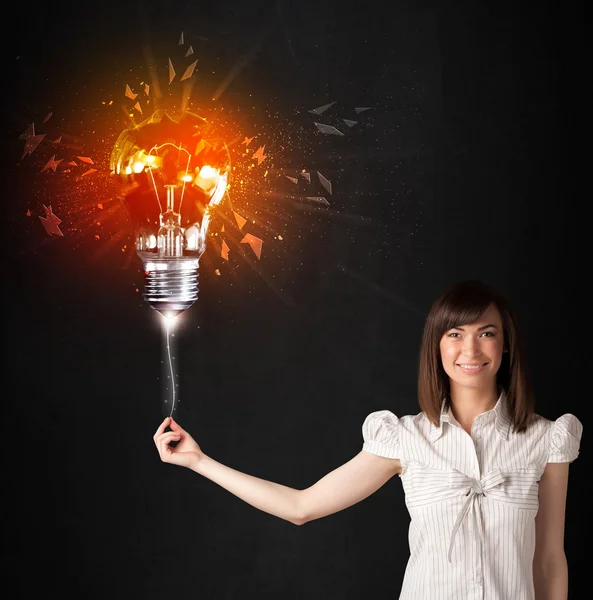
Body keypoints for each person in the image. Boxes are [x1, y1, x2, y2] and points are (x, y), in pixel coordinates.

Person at [153, 279, 582, 599]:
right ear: (436, 346)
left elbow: (548, 560)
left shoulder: (546, 440)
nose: (470, 349)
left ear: (505, 346)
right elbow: (301, 507)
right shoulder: (405, 438)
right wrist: (199, 461)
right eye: (455, 333)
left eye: (486, 333)